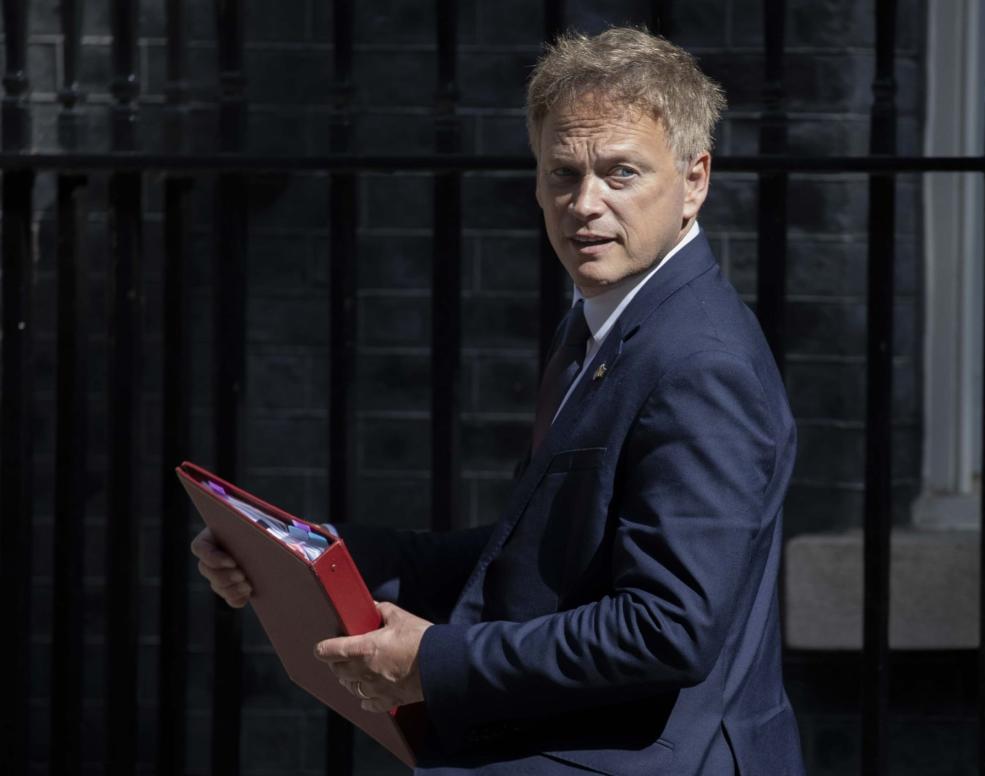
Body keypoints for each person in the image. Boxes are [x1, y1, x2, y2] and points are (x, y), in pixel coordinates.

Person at [192, 26, 805, 775]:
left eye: (619, 173)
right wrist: (303, 556)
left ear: (695, 179)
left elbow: (667, 629)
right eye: (561, 174)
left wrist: (434, 660)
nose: (584, 204)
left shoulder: (700, 363)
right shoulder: (605, 324)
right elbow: (544, 551)